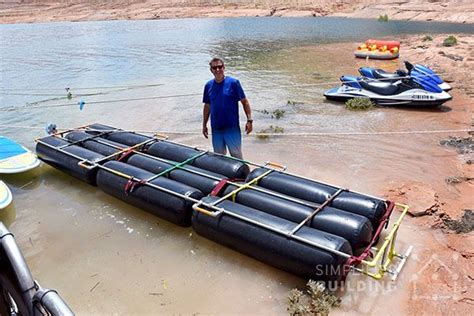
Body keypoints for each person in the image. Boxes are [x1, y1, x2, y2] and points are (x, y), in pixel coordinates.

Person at [202, 57, 253, 159]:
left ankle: (242, 174)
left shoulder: (234, 83)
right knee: (219, 157)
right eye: (214, 67)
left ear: (224, 67)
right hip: (216, 128)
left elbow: (245, 102)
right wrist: (204, 124)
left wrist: (249, 120)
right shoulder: (208, 85)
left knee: (237, 156)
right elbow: (207, 106)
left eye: (220, 67)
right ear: (211, 70)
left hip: (232, 128)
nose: (217, 70)